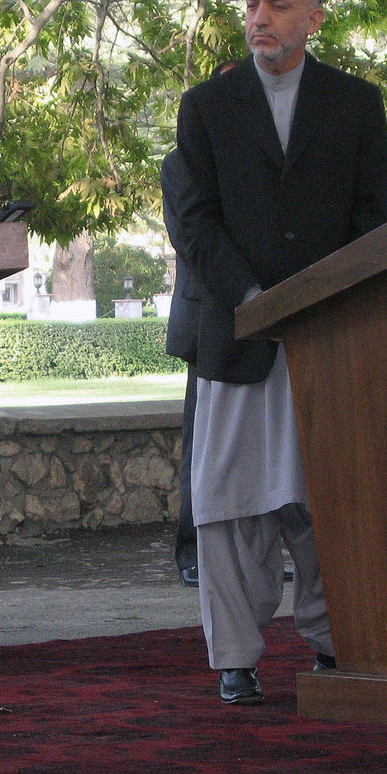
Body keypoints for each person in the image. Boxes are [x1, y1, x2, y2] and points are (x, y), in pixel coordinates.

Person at [170, 0, 387, 705]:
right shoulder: (204, 106)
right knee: (229, 504)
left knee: (325, 496)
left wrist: (320, 303)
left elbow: (370, 223)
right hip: (236, 332)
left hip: (327, 339)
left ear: (314, 19)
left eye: (277, 6)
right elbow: (192, 224)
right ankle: (235, 655)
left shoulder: (357, 105)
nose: (259, 19)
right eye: (253, 5)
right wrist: (259, 297)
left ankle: (335, 641)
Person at [164, 59, 241, 589]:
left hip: (269, 316)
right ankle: (193, 550)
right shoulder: (182, 161)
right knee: (205, 442)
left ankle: (255, 551)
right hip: (209, 315)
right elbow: (190, 237)